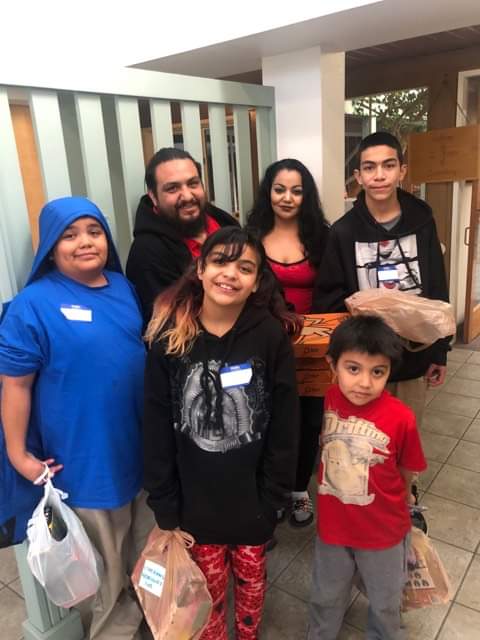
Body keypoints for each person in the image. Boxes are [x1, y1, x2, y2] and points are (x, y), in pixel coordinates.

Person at [0, 197, 153, 640]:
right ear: (51, 247)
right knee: (106, 577)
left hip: (139, 452)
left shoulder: (123, 288)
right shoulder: (33, 305)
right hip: (86, 464)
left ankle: (154, 622)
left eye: (94, 231)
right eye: (69, 235)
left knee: (146, 560)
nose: (84, 242)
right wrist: (18, 455)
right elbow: (15, 387)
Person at [143, 226, 300, 640]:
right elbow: (155, 426)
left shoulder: (269, 337)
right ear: (200, 269)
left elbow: (285, 425)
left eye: (244, 268)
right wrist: (165, 504)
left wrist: (273, 499)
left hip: (253, 506)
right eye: (220, 261)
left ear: (257, 281)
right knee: (205, 601)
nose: (230, 273)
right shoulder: (170, 338)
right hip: (194, 512)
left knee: (251, 593)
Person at [313, 131, 449, 428]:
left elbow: (437, 288)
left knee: (403, 435)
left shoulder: (423, 222)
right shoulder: (343, 232)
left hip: (413, 359)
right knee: (363, 441)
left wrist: (440, 350)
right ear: (358, 176)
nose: (379, 175)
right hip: (363, 362)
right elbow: (327, 300)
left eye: (388, 165)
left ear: (402, 170)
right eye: (369, 167)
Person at [308, 315, 427, 640]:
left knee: (386, 602)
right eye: (353, 368)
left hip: (383, 533)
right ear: (332, 364)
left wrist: (406, 499)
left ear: (389, 371)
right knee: (325, 596)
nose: (364, 382)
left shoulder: (402, 418)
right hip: (333, 528)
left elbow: (407, 470)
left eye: (378, 372)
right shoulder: (329, 400)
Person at [247, 158, 329, 527]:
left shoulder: (322, 236)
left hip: (313, 348)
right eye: (279, 189)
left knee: (309, 421)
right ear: (268, 192)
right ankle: (271, 490)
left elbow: (335, 288)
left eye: (296, 191)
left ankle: (298, 490)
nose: (287, 197)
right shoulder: (251, 236)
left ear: (306, 195)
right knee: (268, 418)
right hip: (263, 345)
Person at [126, 147, 238, 323]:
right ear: (153, 197)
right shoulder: (146, 253)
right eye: (172, 188)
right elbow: (167, 324)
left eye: (193, 184)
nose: (187, 196)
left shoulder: (226, 224)